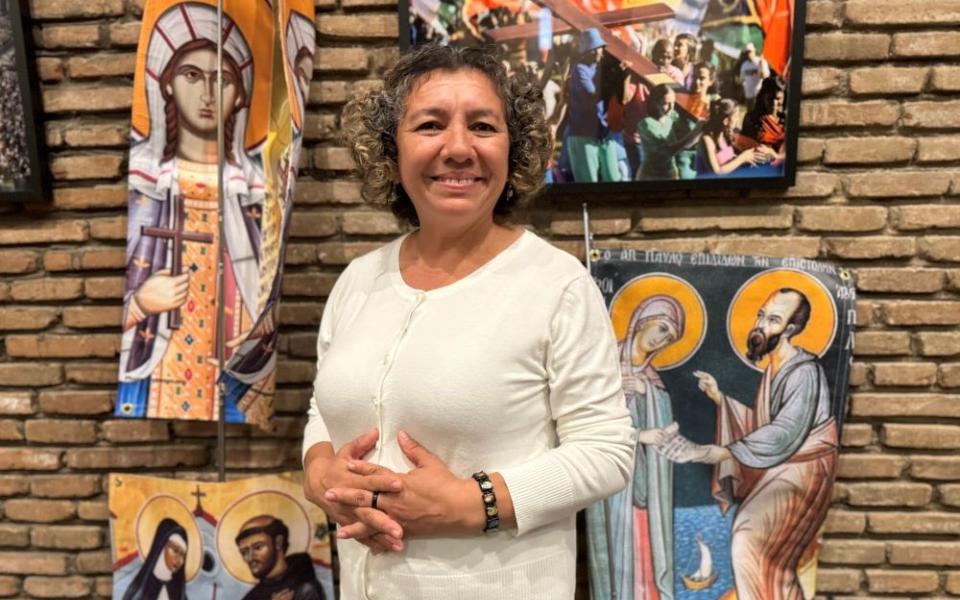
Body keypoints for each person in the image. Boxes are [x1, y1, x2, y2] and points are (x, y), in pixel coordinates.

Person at [301, 44, 634, 599]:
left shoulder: (556, 285)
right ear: (392, 149)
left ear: (514, 148)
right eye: (430, 125)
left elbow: (606, 450)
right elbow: (324, 410)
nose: (458, 148)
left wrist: (466, 503)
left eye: (482, 126)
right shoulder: (359, 280)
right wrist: (319, 474)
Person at [117, 4, 274, 426]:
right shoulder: (152, 186)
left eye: (221, 79)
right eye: (191, 75)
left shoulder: (253, 192)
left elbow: (264, 284)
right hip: (161, 365)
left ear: (240, 94)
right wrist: (140, 304)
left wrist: (259, 328)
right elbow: (137, 280)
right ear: (166, 83)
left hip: (228, 369)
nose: (206, 93)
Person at [658, 288, 838, 600]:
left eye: (772, 319)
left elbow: (784, 434)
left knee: (752, 540)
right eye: (761, 315)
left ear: (790, 330)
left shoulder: (804, 371)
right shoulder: (776, 368)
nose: (760, 324)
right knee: (758, 549)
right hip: (787, 467)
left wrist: (719, 451)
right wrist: (721, 399)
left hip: (807, 469)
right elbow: (764, 427)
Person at [587, 296, 685, 600]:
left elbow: (664, 420)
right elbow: (587, 421)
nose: (661, 339)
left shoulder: (651, 378)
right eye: (661, 328)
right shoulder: (605, 362)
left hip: (643, 483)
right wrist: (640, 434)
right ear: (643, 320)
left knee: (643, 538)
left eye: (669, 337)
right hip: (612, 479)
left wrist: (647, 394)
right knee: (616, 545)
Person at [566, 28, 620, 182]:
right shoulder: (580, 70)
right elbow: (593, 95)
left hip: (603, 131)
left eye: (601, 48)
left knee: (613, 178)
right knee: (587, 181)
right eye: (596, 48)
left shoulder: (601, 67)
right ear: (587, 51)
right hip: (583, 134)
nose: (600, 52)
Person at [236, 516, 324, 600]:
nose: (250, 558)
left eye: (258, 547)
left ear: (278, 542)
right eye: (244, 552)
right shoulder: (252, 597)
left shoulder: (304, 586)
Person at [637, 84, 702, 180]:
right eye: (666, 103)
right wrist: (696, 130)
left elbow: (688, 143)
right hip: (650, 177)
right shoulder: (646, 124)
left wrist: (700, 130)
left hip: (671, 173)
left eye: (673, 103)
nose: (671, 108)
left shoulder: (672, 116)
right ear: (655, 103)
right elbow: (668, 151)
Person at [122, 518, 189, 600]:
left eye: (183, 555)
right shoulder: (140, 588)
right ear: (161, 546)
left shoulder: (179, 593)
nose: (179, 559)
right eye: (175, 550)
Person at [696, 99, 763, 175]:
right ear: (726, 121)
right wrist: (742, 158)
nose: (738, 120)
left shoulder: (725, 135)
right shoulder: (707, 139)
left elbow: (729, 161)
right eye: (736, 116)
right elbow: (716, 172)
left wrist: (748, 159)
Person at [740, 76, 786, 160]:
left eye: (778, 99)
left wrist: (775, 156)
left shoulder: (786, 119)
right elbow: (743, 145)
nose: (774, 103)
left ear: (784, 98)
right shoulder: (752, 119)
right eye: (770, 99)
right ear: (763, 97)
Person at [738, 42, 769, 109]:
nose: (749, 54)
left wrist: (762, 65)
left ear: (754, 51)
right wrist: (741, 93)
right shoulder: (744, 65)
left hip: (758, 93)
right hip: (748, 94)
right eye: (747, 52)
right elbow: (742, 80)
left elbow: (765, 76)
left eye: (750, 52)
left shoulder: (761, 62)